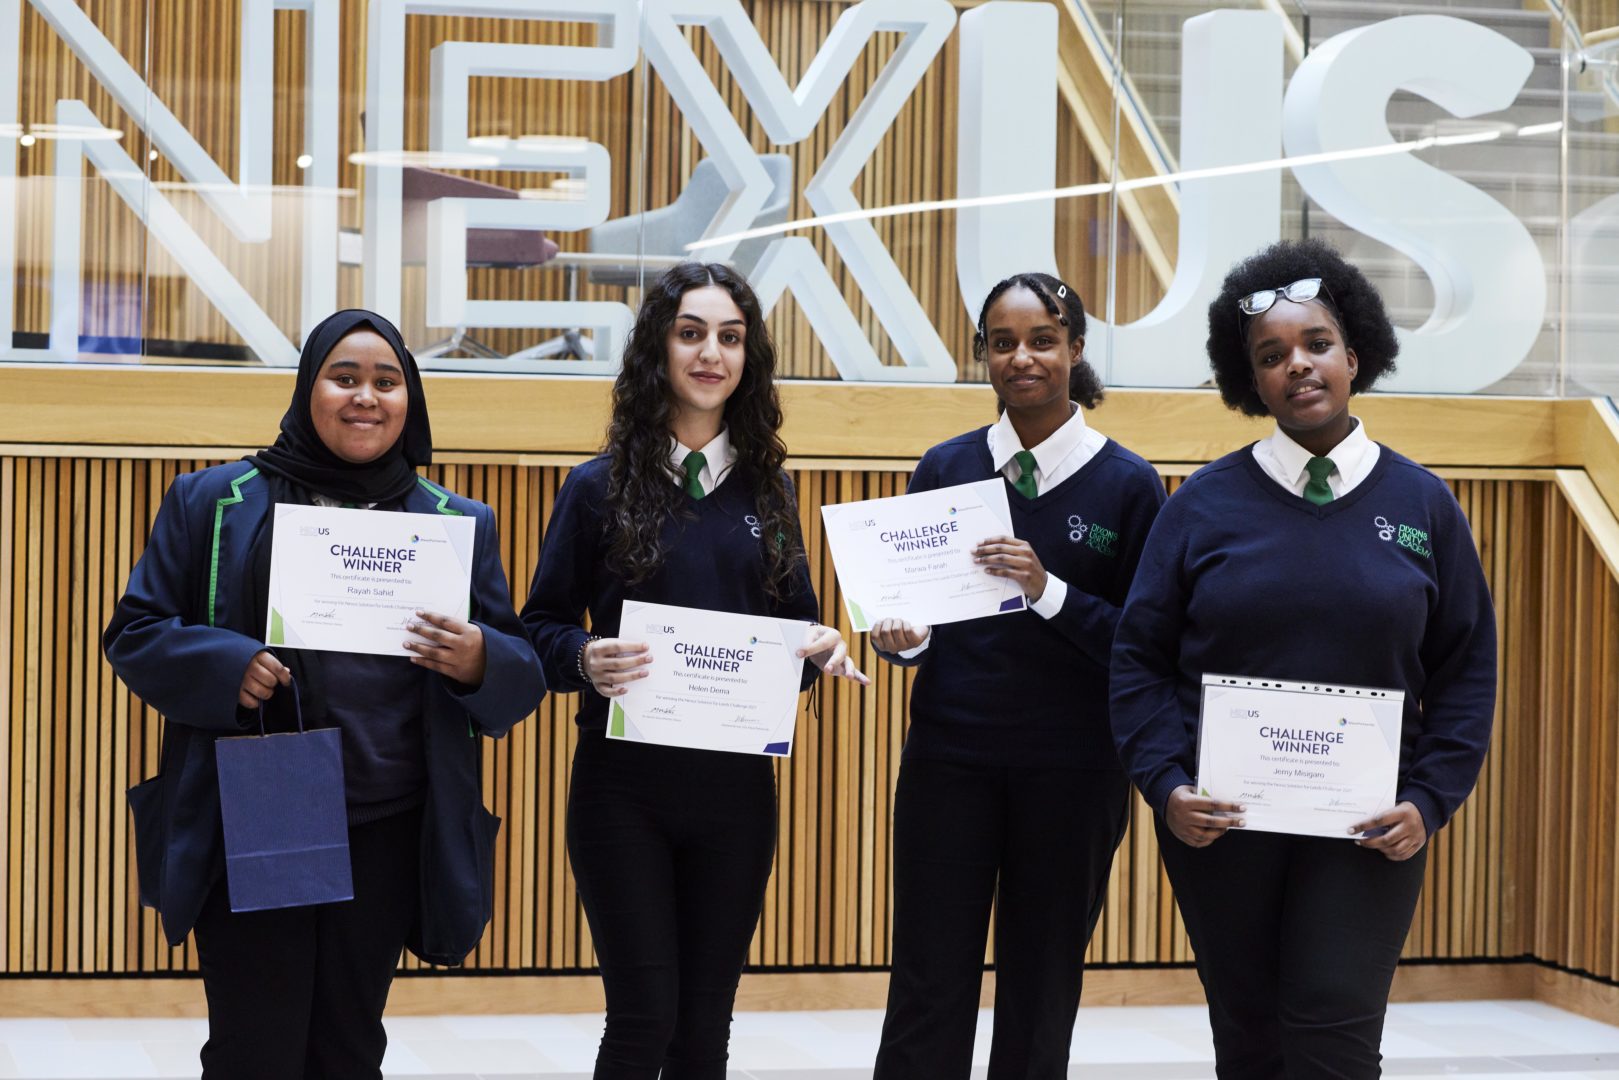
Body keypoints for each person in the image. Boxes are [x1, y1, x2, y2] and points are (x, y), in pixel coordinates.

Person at [103, 309, 545, 1079]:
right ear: (309, 388)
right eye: (344, 378)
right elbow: (135, 633)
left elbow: (521, 675)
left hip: (389, 821)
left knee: (348, 1047)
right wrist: (227, 665)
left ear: (410, 400)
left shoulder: (455, 521)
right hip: (262, 806)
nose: (365, 397)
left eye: (386, 382)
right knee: (253, 1049)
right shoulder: (213, 501)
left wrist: (480, 658)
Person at [1110, 238, 1498, 1078]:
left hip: (1366, 828)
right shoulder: (1200, 505)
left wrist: (1428, 800)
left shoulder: (1422, 504)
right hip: (1224, 823)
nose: (1297, 365)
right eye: (1270, 355)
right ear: (1250, 382)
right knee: (1248, 1036)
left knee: (1334, 1034)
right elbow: (1137, 660)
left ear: (1354, 357)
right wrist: (1166, 785)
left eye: (1317, 344)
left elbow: (1466, 668)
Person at [520, 262, 867, 1079]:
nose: (711, 353)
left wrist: (818, 650)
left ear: (748, 357)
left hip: (736, 797)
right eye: (691, 334)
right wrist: (582, 657)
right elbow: (537, 629)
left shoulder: (771, 494)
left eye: (730, 337)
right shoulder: (596, 488)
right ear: (659, 349)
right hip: (622, 792)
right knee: (643, 1019)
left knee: (705, 1030)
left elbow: (796, 632)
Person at [869, 272, 1167, 1079]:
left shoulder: (1129, 484)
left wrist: (1046, 589)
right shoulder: (945, 467)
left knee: (1041, 982)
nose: (1022, 358)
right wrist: (902, 642)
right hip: (948, 761)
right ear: (983, 355)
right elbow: (914, 621)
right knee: (928, 976)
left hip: (1073, 771)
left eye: (1042, 340)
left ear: (1075, 348)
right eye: (1002, 343)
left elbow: (1142, 645)